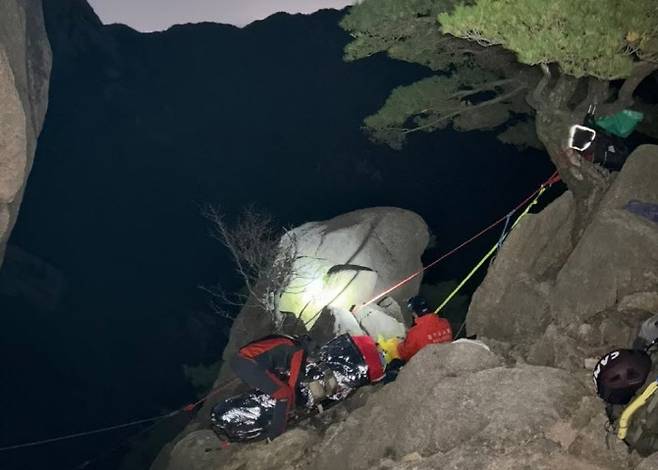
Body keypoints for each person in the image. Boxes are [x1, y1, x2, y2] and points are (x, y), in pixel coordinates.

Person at [229, 334, 308, 440]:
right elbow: (293, 382)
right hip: (249, 363)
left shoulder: (283, 341)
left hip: (239, 360)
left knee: (273, 388)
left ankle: (262, 420)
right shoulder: (298, 350)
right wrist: (293, 405)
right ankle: (275, 436)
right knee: (284, 394)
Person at [397, 296, 453, 362]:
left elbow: (405, 355)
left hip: (427, 366)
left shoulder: (414, 332)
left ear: (414, 313)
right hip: (447, 360)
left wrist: (400, 344)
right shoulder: (445, 323)